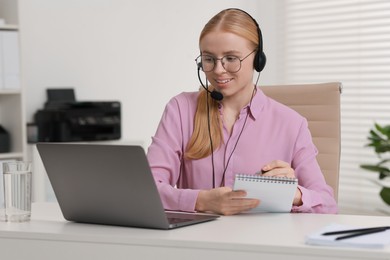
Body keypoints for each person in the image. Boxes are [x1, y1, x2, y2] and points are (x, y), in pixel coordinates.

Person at [146, 8, 338, 215]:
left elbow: (327, 205)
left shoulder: (292, 124)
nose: (218, 70)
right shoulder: (181, 110)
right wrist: (200, 201)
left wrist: (295, 194)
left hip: (260, 244)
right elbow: (146, 189)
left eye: (230, 58)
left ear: (258, 60)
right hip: (196, 242)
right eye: (209, 59)